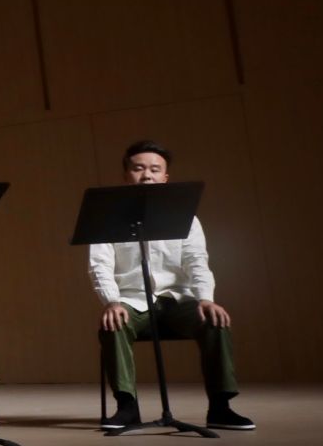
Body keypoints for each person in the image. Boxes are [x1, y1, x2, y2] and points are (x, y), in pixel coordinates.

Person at [90, 139, 251, 430]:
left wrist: (206, 298)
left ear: (165, 177)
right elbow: (99, 264)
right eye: (138, 169)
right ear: (126, 175)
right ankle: (127, 407)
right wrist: (111, 301)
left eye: (154, 169)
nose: (147, 175)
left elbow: (196, 261)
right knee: (113, 322)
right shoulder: (108, 217)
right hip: (132, 300)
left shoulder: (186, 217)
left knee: (214, 320)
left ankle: (220, 407)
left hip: (177, 299)